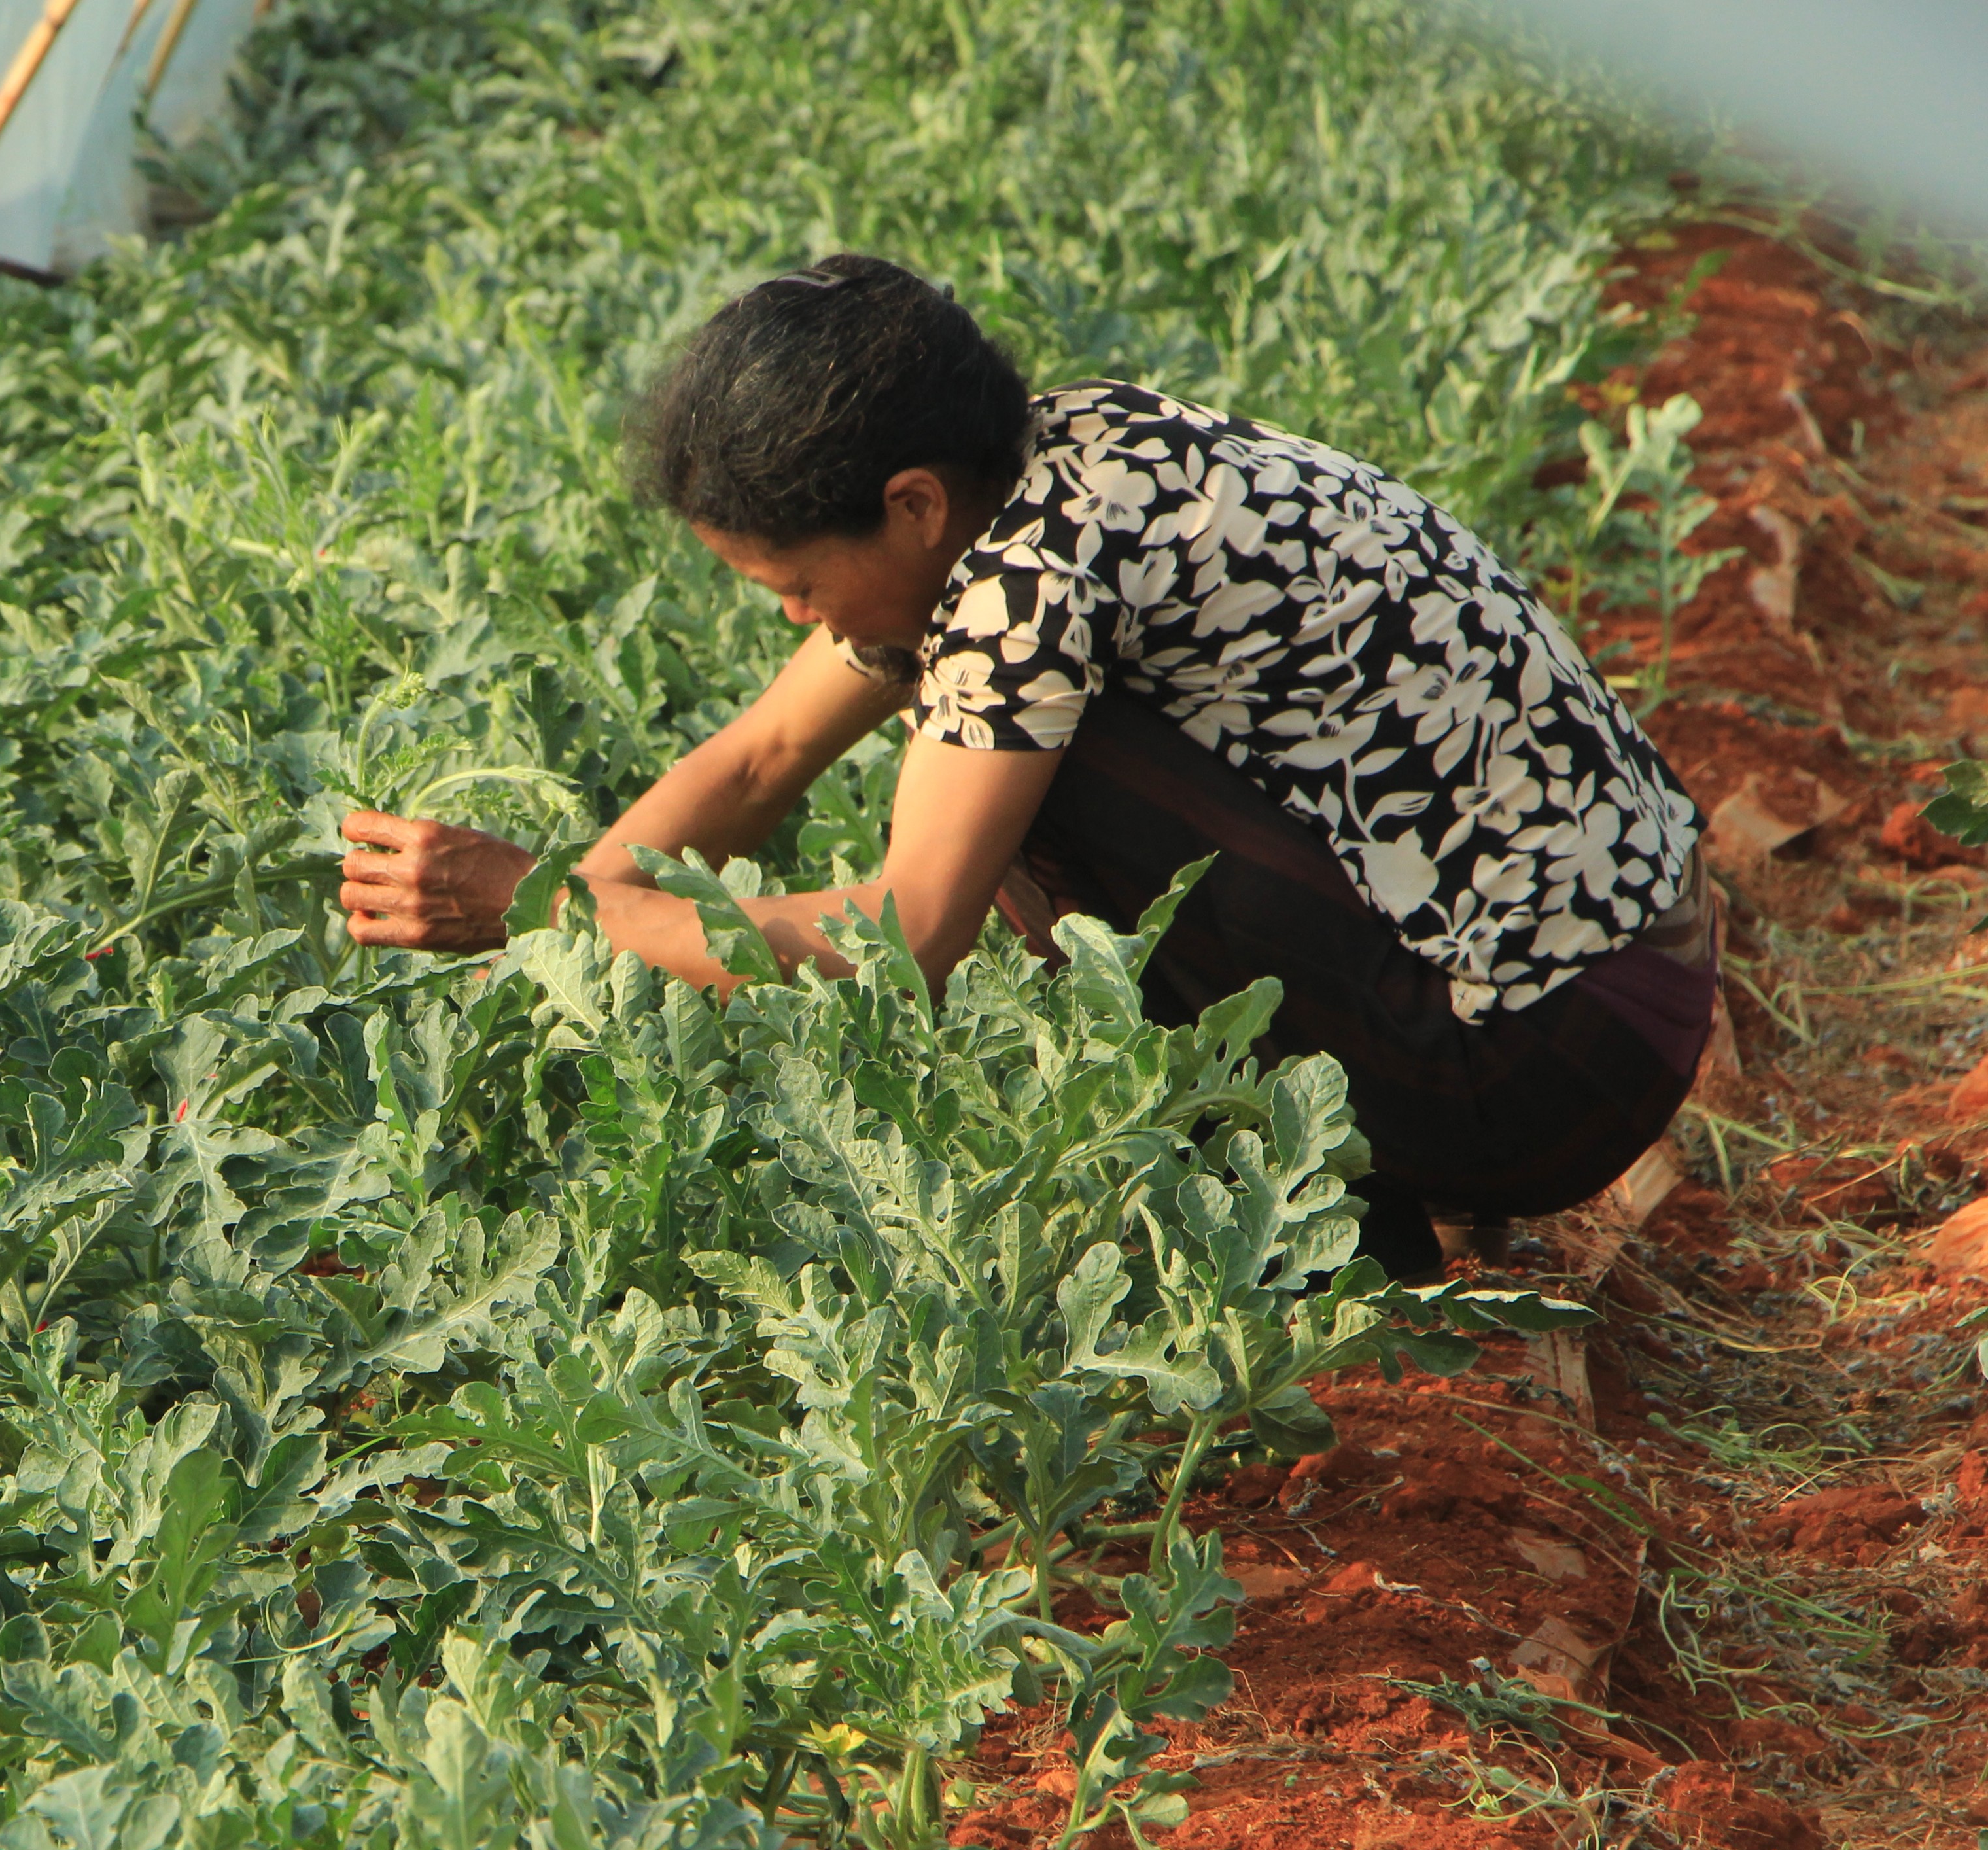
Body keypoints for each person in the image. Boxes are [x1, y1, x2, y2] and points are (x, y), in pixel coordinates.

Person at [334, 254, 1713, 1279]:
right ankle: (1360, 1205)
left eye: (799, 585)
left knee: (1016, 800)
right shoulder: (1059, 467)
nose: (791, 619)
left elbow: (906, 935)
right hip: (1612, 989)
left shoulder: (1027, 587)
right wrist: (563, 933)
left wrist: (553, 910)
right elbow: (759, 760)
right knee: (985, 745)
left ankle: (1337, 1235)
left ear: (912, 504)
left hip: (1547, 1066)